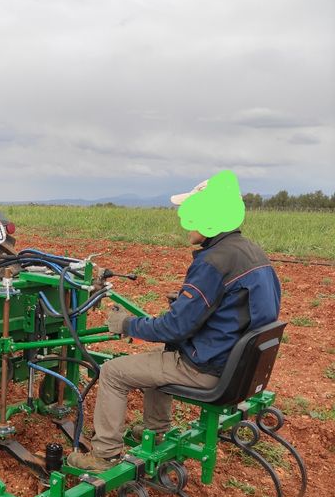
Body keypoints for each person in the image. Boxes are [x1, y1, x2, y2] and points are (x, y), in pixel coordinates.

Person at [68, 169, 282, 472]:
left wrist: (127, 325)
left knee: (113, 372)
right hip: (236, 365)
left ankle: (104, 455)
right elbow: (244, 309)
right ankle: (157, 430)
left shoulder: (212, 262)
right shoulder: (252, 253)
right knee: (158, 357)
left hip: (208, 368)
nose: (187, 225)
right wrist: (192, 307)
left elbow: (175, 327)